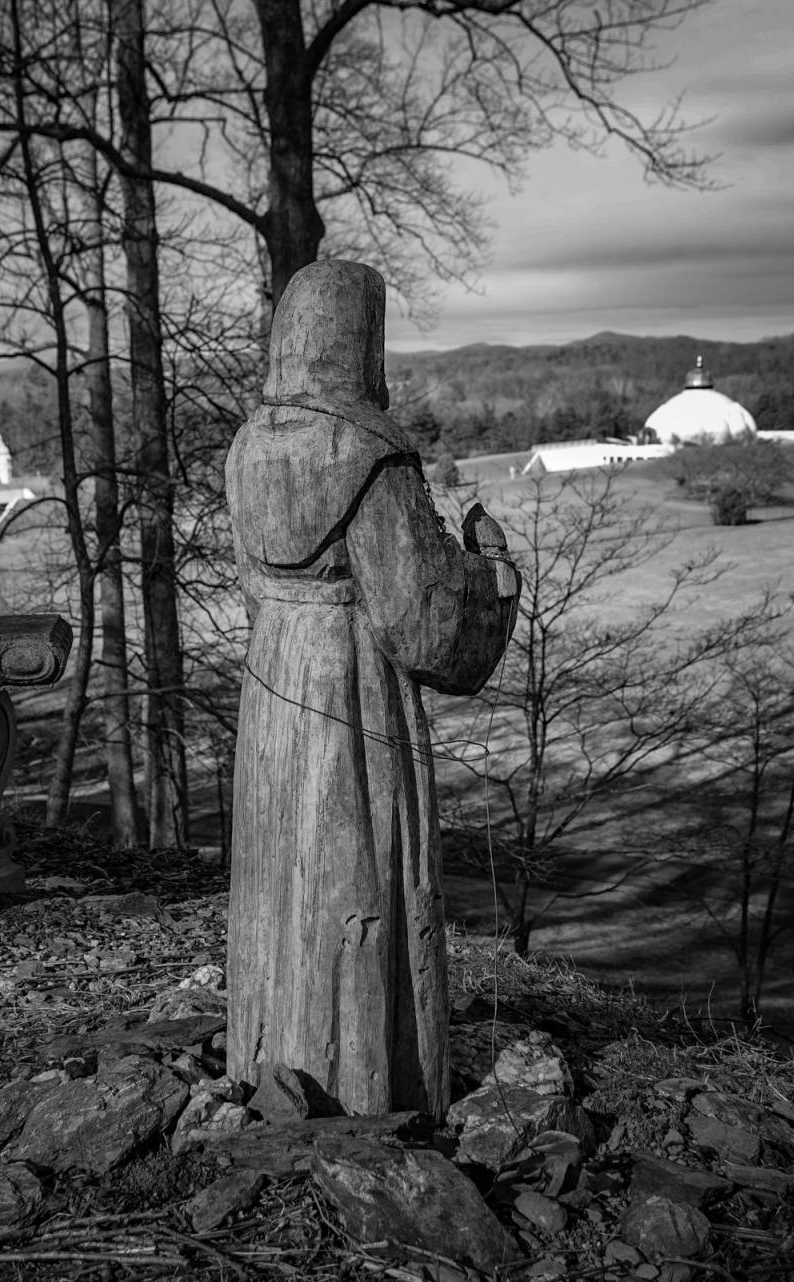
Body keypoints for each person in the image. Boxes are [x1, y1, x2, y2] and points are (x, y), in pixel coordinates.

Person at [223, 260, 518, 1117]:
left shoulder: (248, 446)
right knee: (354, 871)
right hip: (350, 685)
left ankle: (266, 1055)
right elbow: (421, 619)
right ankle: (365, 1086)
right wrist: (493, 573)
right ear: (363, 342)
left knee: (282, 876)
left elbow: (254, 583)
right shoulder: (371, 453)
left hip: (273, 675)